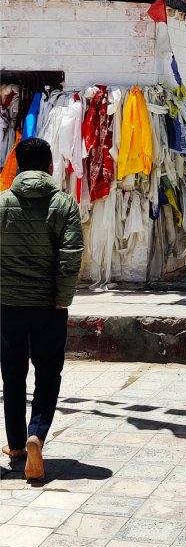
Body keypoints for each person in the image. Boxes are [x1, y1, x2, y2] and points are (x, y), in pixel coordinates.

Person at [0, 136, 84, 481]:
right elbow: (70, 256)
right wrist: (62, 298)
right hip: (49, 306)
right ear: (51, 167)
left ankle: (17, 444)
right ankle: (37, 434)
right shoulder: (64, 204)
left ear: (17, 166)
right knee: (48, 373)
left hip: (7, 305)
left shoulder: (2, 202)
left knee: (13, 374)